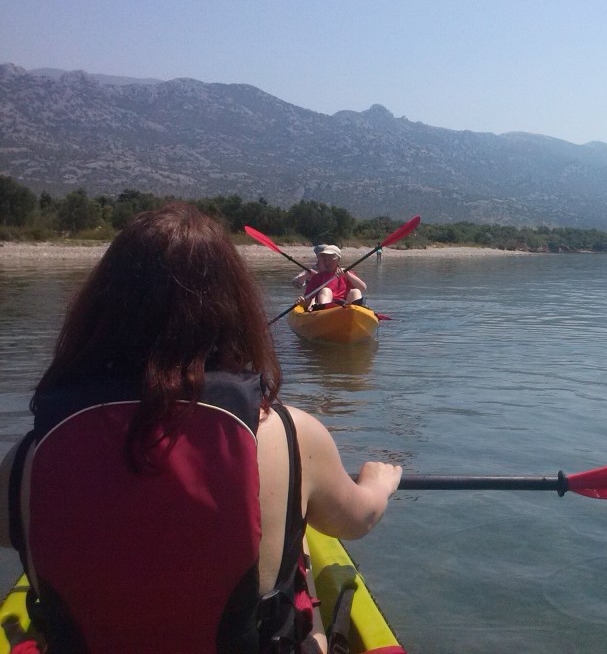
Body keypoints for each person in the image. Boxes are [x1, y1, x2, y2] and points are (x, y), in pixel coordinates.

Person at [0, 203, 401, 654]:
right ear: (235, 309)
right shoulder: (291, 434)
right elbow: (355, 520)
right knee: (311, 625)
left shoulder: (31, 455)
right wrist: (379, 483)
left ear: (98, 312)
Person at [291, 244, 368, 309]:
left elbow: (363, 287)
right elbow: (307, 300)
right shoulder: (317, 277)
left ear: (338, 259)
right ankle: (324, 311)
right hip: (326, 310)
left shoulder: (347, 273)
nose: (327, 261)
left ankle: (356, 312)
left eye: (330, 258)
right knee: (326, 291)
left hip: (346, 308)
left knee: (356, 291)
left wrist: (347, 274)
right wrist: (302, 302)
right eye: (325, 258)